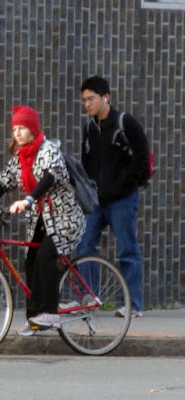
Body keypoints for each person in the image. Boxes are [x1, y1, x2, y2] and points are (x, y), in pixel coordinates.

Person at [0, 106, 86, 335]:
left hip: (65, 219)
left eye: (22, 128)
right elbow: (3, 184)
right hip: (40, 218)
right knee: (30, 260)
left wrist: (28, 200)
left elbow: (49, 178)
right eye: (14, 129)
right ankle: (33, 318)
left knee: (45, 255)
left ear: (33, 129)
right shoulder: (20, 157)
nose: (17, 133)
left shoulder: (49, 150)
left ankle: (50, 313)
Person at [76, 76, 150, 318]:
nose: (87, 104)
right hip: (97, 201)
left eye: (91, 99)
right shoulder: (90, 128)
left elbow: (142, 155)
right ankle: (90, 299)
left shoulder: (124, 122)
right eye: (84, 100)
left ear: (105, 98)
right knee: (84, 245)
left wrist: (127, 183)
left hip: (122, 199)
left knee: (127, 250)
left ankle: (133, 305)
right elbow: (86, 161)